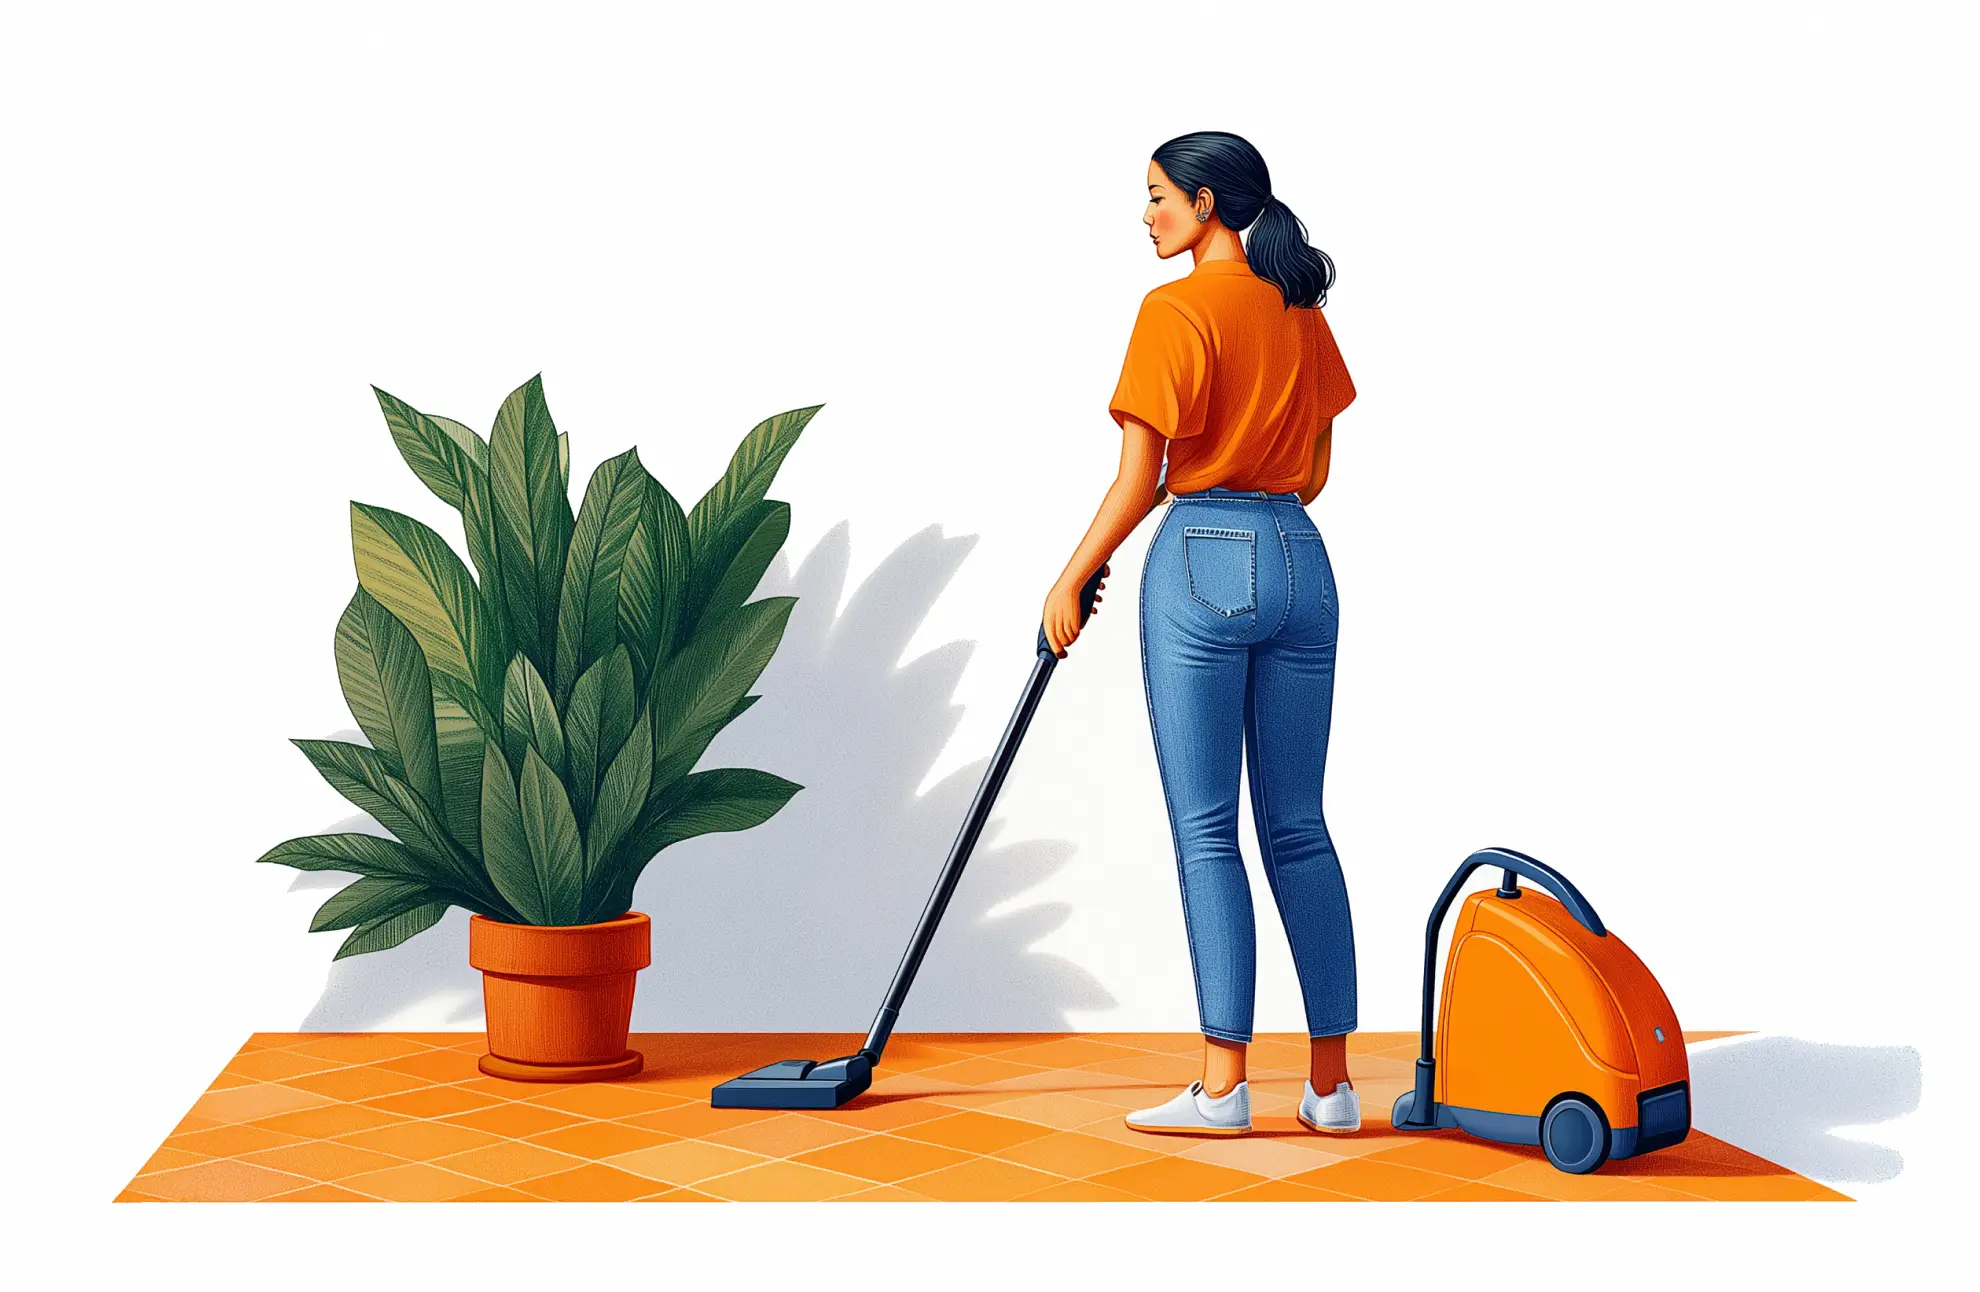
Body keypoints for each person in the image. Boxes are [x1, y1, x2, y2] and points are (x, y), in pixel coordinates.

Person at [1040, 130, 1360, 1136]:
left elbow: (1140, 476)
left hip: (1200, 554)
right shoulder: (1300, 311)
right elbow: (1312, 471)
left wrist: (1072, 570)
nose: (1147, 216)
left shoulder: (1173, 310)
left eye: (1158, 197)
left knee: (1209, 827)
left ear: (1208, 202)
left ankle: (1223, 1086)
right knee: (1299, 826)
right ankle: (1332, 1085)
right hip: (1302, 558)